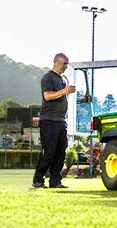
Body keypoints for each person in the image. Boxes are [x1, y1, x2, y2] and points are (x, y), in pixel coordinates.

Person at [33, 53, 76, 189]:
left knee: (60, 152)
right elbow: (47, 96)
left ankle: (55, 181)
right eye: (64, 63)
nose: (66, 66)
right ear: (56, 62)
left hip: (61, 121)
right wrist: (64, 91)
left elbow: (61, 98)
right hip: (49, 121)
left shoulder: (63, 78)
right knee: (49, 152)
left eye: (67, 64)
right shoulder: (48, 77)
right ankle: (38, 180)